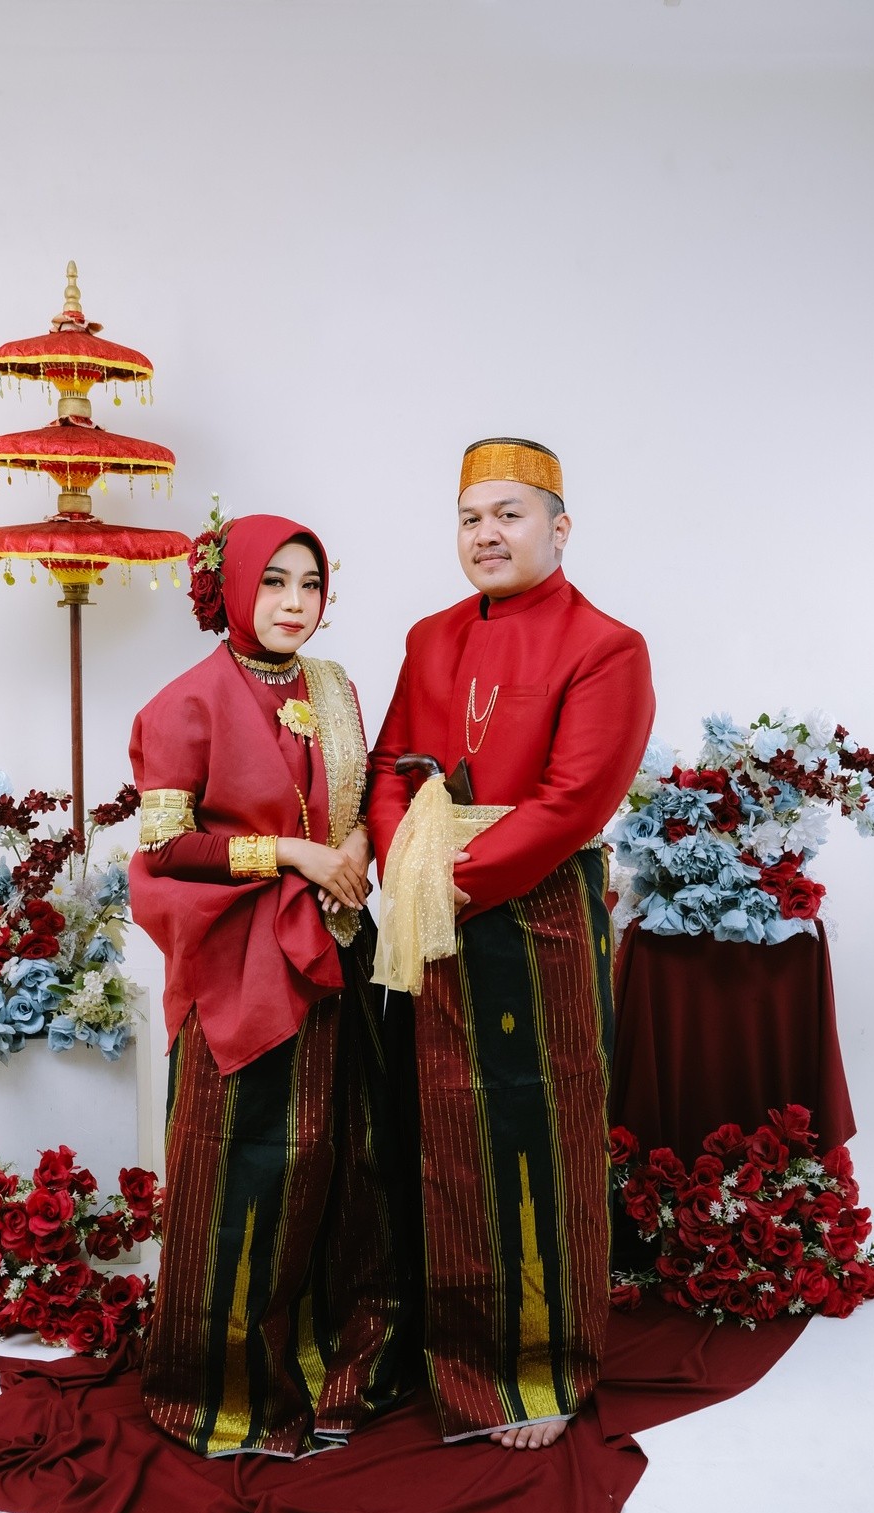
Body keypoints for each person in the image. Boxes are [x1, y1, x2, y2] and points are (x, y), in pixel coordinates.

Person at [368, 437, 655, 1450]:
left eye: (508, 515)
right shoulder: (430, 636)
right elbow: (389, 767)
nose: (485, 535)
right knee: (438, 1131)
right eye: (469, 518)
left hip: (537, 918)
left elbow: (574, 801)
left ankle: (537, 1364)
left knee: (537, 1134)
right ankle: (444, 1345)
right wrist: (402, 867)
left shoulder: (606, 646)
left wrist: (450, 883)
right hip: (426, 912)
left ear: (559, 528)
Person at [129, 512, 407, 1458]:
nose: (294, 603)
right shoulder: (186, 702)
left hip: (338, 946)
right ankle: (226, 1390)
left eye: (310, 584)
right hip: (242, 962)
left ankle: (342, 1369)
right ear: (232, 588)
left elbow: (367, 798)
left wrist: (354, 850)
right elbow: (166, 847)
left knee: (352, 1157)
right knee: (245, 1166)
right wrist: (292, 852)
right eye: (273, 582)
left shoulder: (334, 687)